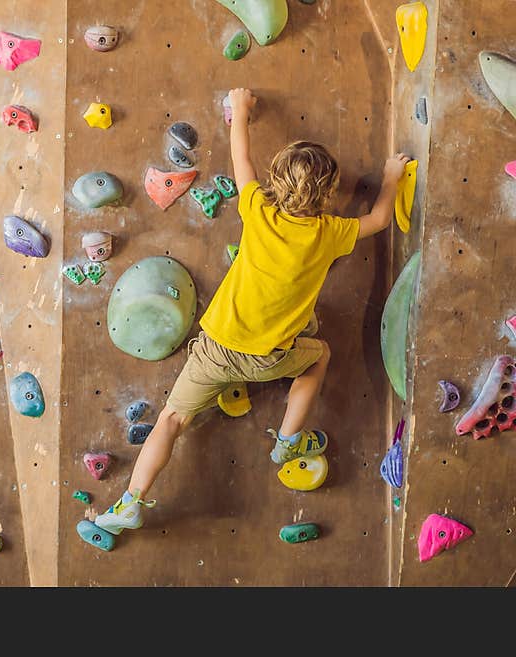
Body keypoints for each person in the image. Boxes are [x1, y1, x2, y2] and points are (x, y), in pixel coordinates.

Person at [94, 87, 411, 536]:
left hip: (215, 348)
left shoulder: (259, 211)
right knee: (318, 354)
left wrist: (239, 110)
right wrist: (391, 176)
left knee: (171, 419)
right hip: (267, 358)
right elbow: (378, 220)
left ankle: (131, 501)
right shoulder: (329, 233)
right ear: (328, 194)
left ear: (276, 183)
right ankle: (287, 439)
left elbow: (241, 160)